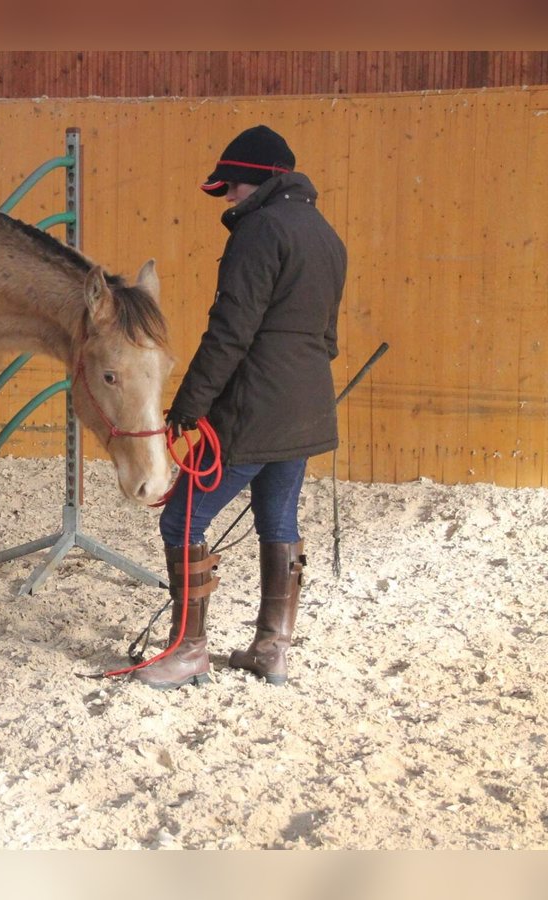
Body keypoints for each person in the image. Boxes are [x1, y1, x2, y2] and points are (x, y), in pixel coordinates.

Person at [133, 124, 347, 691]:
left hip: (253, 410)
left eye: (230, 186)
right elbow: (327, 340)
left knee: (183, 519)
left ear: (257, 181)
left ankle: (188, 652)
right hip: (308, 409)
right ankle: (272, 651)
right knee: (278, 521)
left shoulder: (259, 231)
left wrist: (189, 404)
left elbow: (230, 332)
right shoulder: (327, 235)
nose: (226, 197)